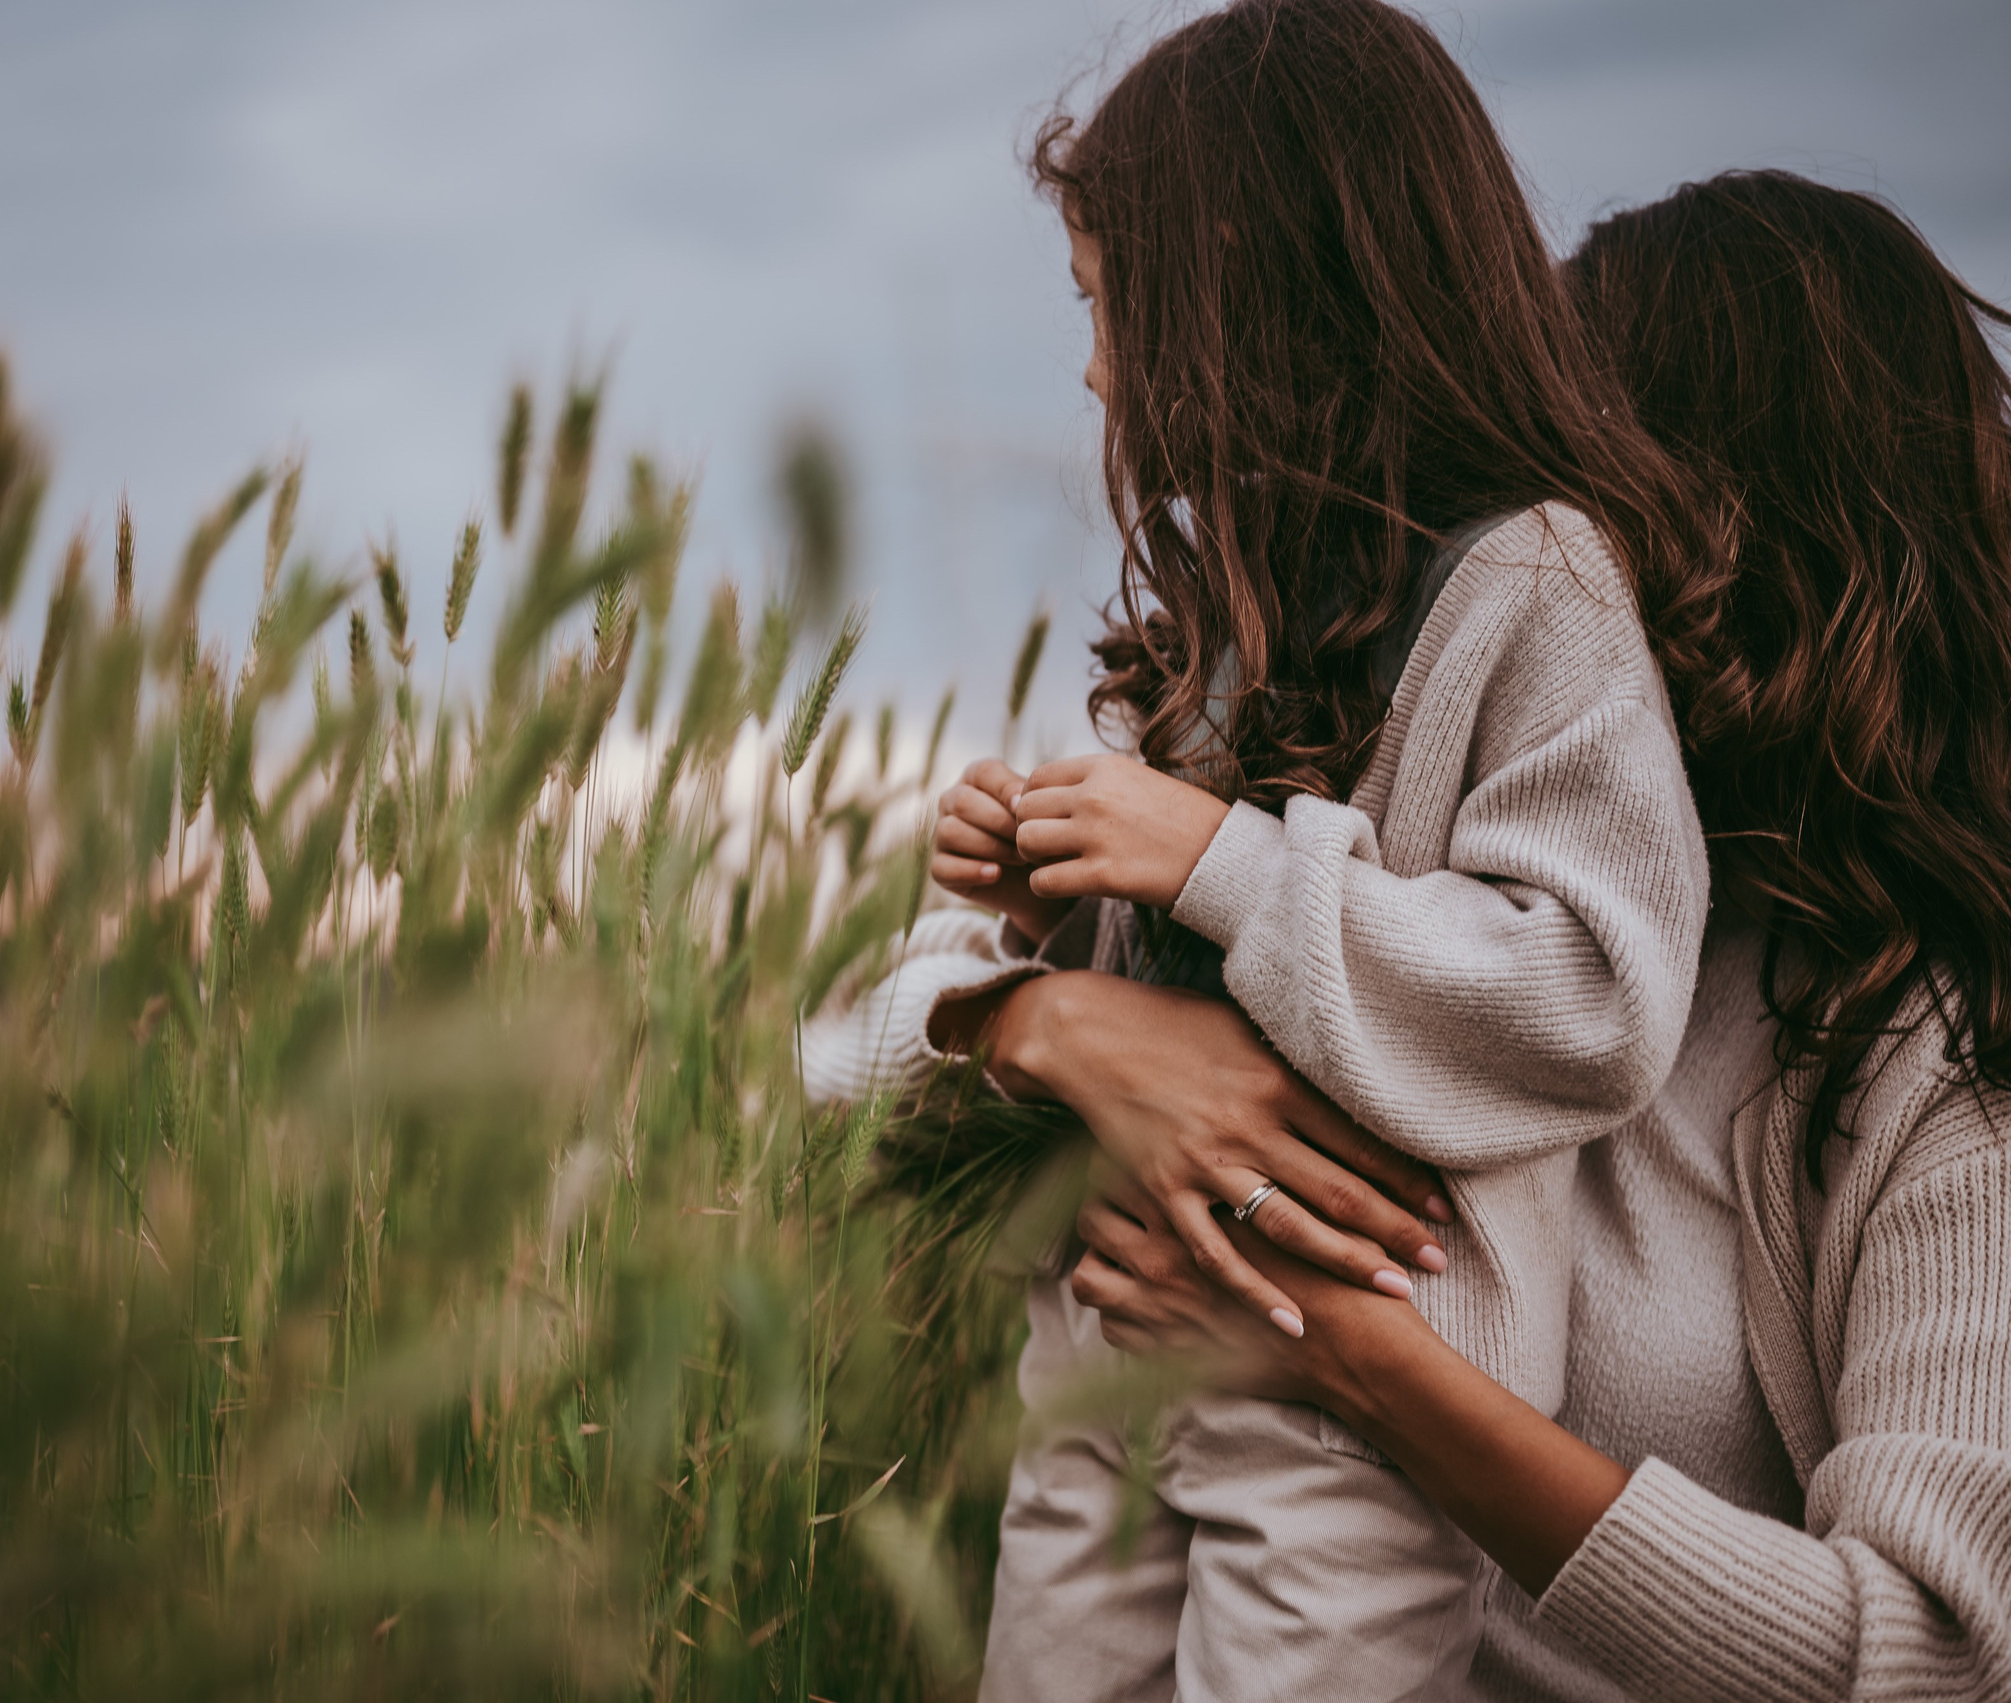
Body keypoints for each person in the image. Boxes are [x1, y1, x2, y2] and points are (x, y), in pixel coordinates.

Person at [800, 2, 1720, 1697]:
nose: (1088, 368)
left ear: (1237, 280)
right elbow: (899, 1046)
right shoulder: (1220, 618)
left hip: (1343, 1410)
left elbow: (1592, 990)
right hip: (1102, 1344)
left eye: (1102, 304)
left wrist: (1212, 856)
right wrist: (1054, 902)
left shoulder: (1535, 583)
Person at [1067, 170, 2011, 1699]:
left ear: (1731, 514)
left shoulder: (1937, 1058)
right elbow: (904, 1010)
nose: (1502, 533)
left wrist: (1370, 1376)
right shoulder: (1484, 869)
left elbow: (1941, 1661)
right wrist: (1050, 1031)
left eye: (1568, 471)